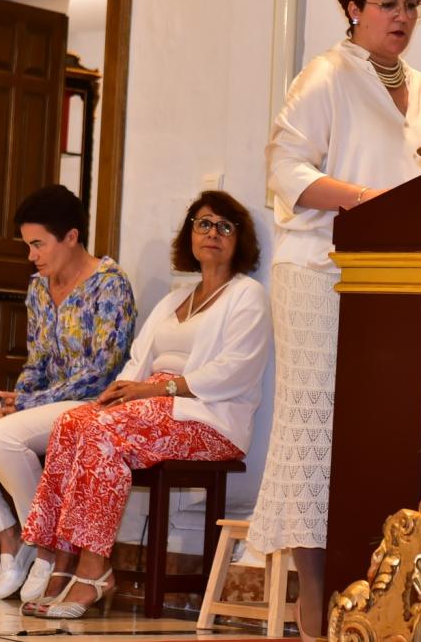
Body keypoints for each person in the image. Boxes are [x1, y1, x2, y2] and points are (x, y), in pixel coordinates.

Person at [247, 0, 421, 639]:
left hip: (396, 281)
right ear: (355, 8)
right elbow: (286, 167)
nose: (402, 17)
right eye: (388, 4)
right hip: (319, 277)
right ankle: (313, 613)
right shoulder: (327, 74)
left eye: (412, 5)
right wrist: (365, 201)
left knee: (378, 436)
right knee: (315, 439)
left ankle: (377, 604)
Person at [19, 190, 270, 619]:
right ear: (190, 234)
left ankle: (93, 570)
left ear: (239, 240)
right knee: (73, 422)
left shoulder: (247, 295)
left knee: (100, 433)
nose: (213, 234)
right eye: (204, 224)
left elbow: (235, 371)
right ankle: (57, 555)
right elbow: (138, 362)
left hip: (207, 419)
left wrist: (158, 392)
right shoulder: (176, 299)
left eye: (225, 227)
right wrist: (118, 394)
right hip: (152, 406)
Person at [0, 184, 135, 600]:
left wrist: (25, 405)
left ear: (71, 236)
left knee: (3, 438)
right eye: (28, 245)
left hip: (88, 406)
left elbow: (102, 373)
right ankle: (12, 541)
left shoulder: (111, 285)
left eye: (38, 244)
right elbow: (37, 359)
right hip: (39, 403)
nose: (31, 255)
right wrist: (17, 399)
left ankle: (49, 546)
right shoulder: (38, 287)